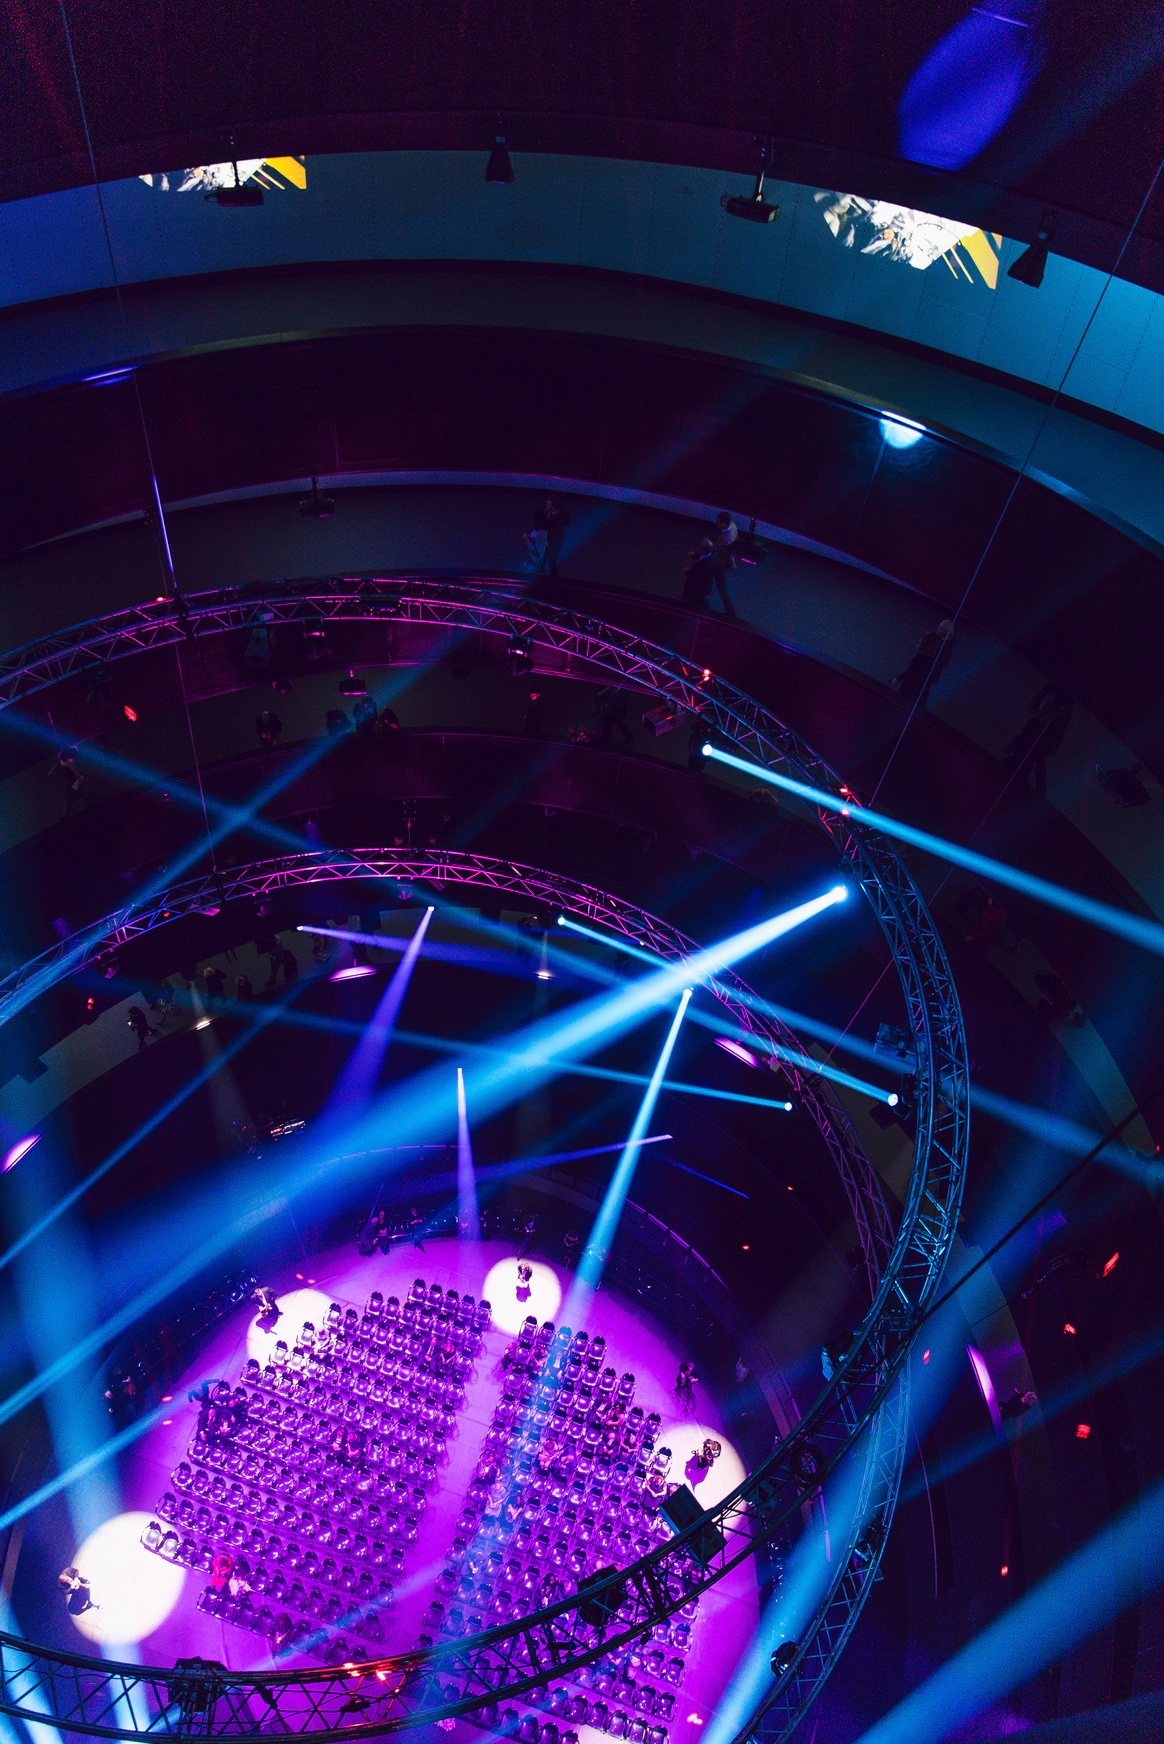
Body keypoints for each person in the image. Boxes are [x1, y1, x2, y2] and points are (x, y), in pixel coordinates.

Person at [1001, 682, 1072, 797]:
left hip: (1043, 734)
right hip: (1036, 732)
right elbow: (1034, 708)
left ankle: (1037, 793)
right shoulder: (1051, 692)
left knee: (1036, 758)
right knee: (1030, 756)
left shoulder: (1062, 707)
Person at [892, 620, 956, 709]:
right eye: (939, 627)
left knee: (903, 704)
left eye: (941, 629)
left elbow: (913, 669)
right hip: (922, 684)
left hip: (915, 684)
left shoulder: (935, 650)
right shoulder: (939, 648)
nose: (937, 629)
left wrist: (898, 679)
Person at [533, 497, 570, 577]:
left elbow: (552, 528)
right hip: (547, 539)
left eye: (549, 504)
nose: (547, 506)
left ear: (554, 505)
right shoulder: (549, 513)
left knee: (551, 559)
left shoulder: (558, 517)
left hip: (554, 541)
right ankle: (540, 574)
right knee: (544, 558)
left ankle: (552, 577)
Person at [711, 511, 739, 618]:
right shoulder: (733, 525)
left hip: (721, 563)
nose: (716, 523)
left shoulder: (725, 540)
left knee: (722, 587)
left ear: (723, 523)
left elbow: (729, 555)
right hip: (720, 560)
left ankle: (730, 609)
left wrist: (732, 565)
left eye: (718, 522)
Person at [682, 539, 717, 608]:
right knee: (701, 600)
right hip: (704, 587)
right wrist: (695, 555)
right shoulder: (710, 558)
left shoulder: (703, 565)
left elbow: (695, 578)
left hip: (697, 589)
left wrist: (687, 572)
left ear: (701, 549)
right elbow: (703, 557)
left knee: (693, 603)